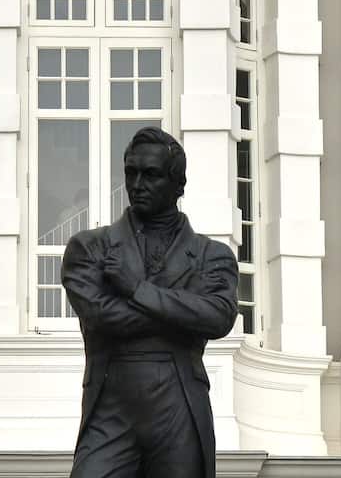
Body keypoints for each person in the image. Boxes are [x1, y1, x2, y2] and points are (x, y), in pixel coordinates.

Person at [61, 126, 238, 478]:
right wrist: (183, 314)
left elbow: (217, 317)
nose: (137, 184)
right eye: (131, 172)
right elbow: (99, 315)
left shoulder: (211, 255)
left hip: (180, 405)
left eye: (151, 175)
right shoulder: (89, 248)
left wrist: (136, 289)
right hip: (111, 403)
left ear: (178, 185)